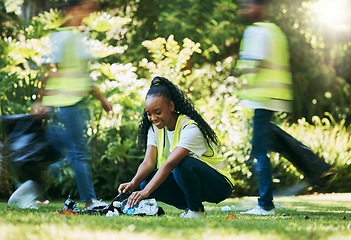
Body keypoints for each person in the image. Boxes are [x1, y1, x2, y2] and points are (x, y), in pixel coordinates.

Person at [235, 0, 334, 216]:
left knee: (259, 150)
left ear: (260, 7)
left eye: (249, 4)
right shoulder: (275, 32)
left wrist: (239, 78)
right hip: (273, 96)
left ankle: (265, 204)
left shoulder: (256, 31)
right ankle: (318, 168)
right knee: (272, 140)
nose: (245, 9)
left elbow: (254, 63)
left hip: (261, 97)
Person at [32, 0, 112, 209]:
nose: (87, 13)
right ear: (71, 10)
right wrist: (41, 101)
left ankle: (27, 189)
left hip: (72, 102)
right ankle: (89, 200)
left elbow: (81, 75)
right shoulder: (64, 37)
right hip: (65, 103)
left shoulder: (74, 36)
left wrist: (100, 96)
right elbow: (50, 70)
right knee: (77, 151)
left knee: (57, 151)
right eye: (84, 8)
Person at [118, 76, 234, 218]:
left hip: (219, 185)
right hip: (187, 178)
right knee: (145, 181)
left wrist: (146, 192)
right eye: (149, 113)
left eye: (158, 112)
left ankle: (195, 210)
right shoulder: (155, 129)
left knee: (181, 163)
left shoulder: (190, 127)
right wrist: (133, 182)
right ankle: (190, 207)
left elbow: (170, 164)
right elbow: (148, 162)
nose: (153, 118)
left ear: (171, 106)